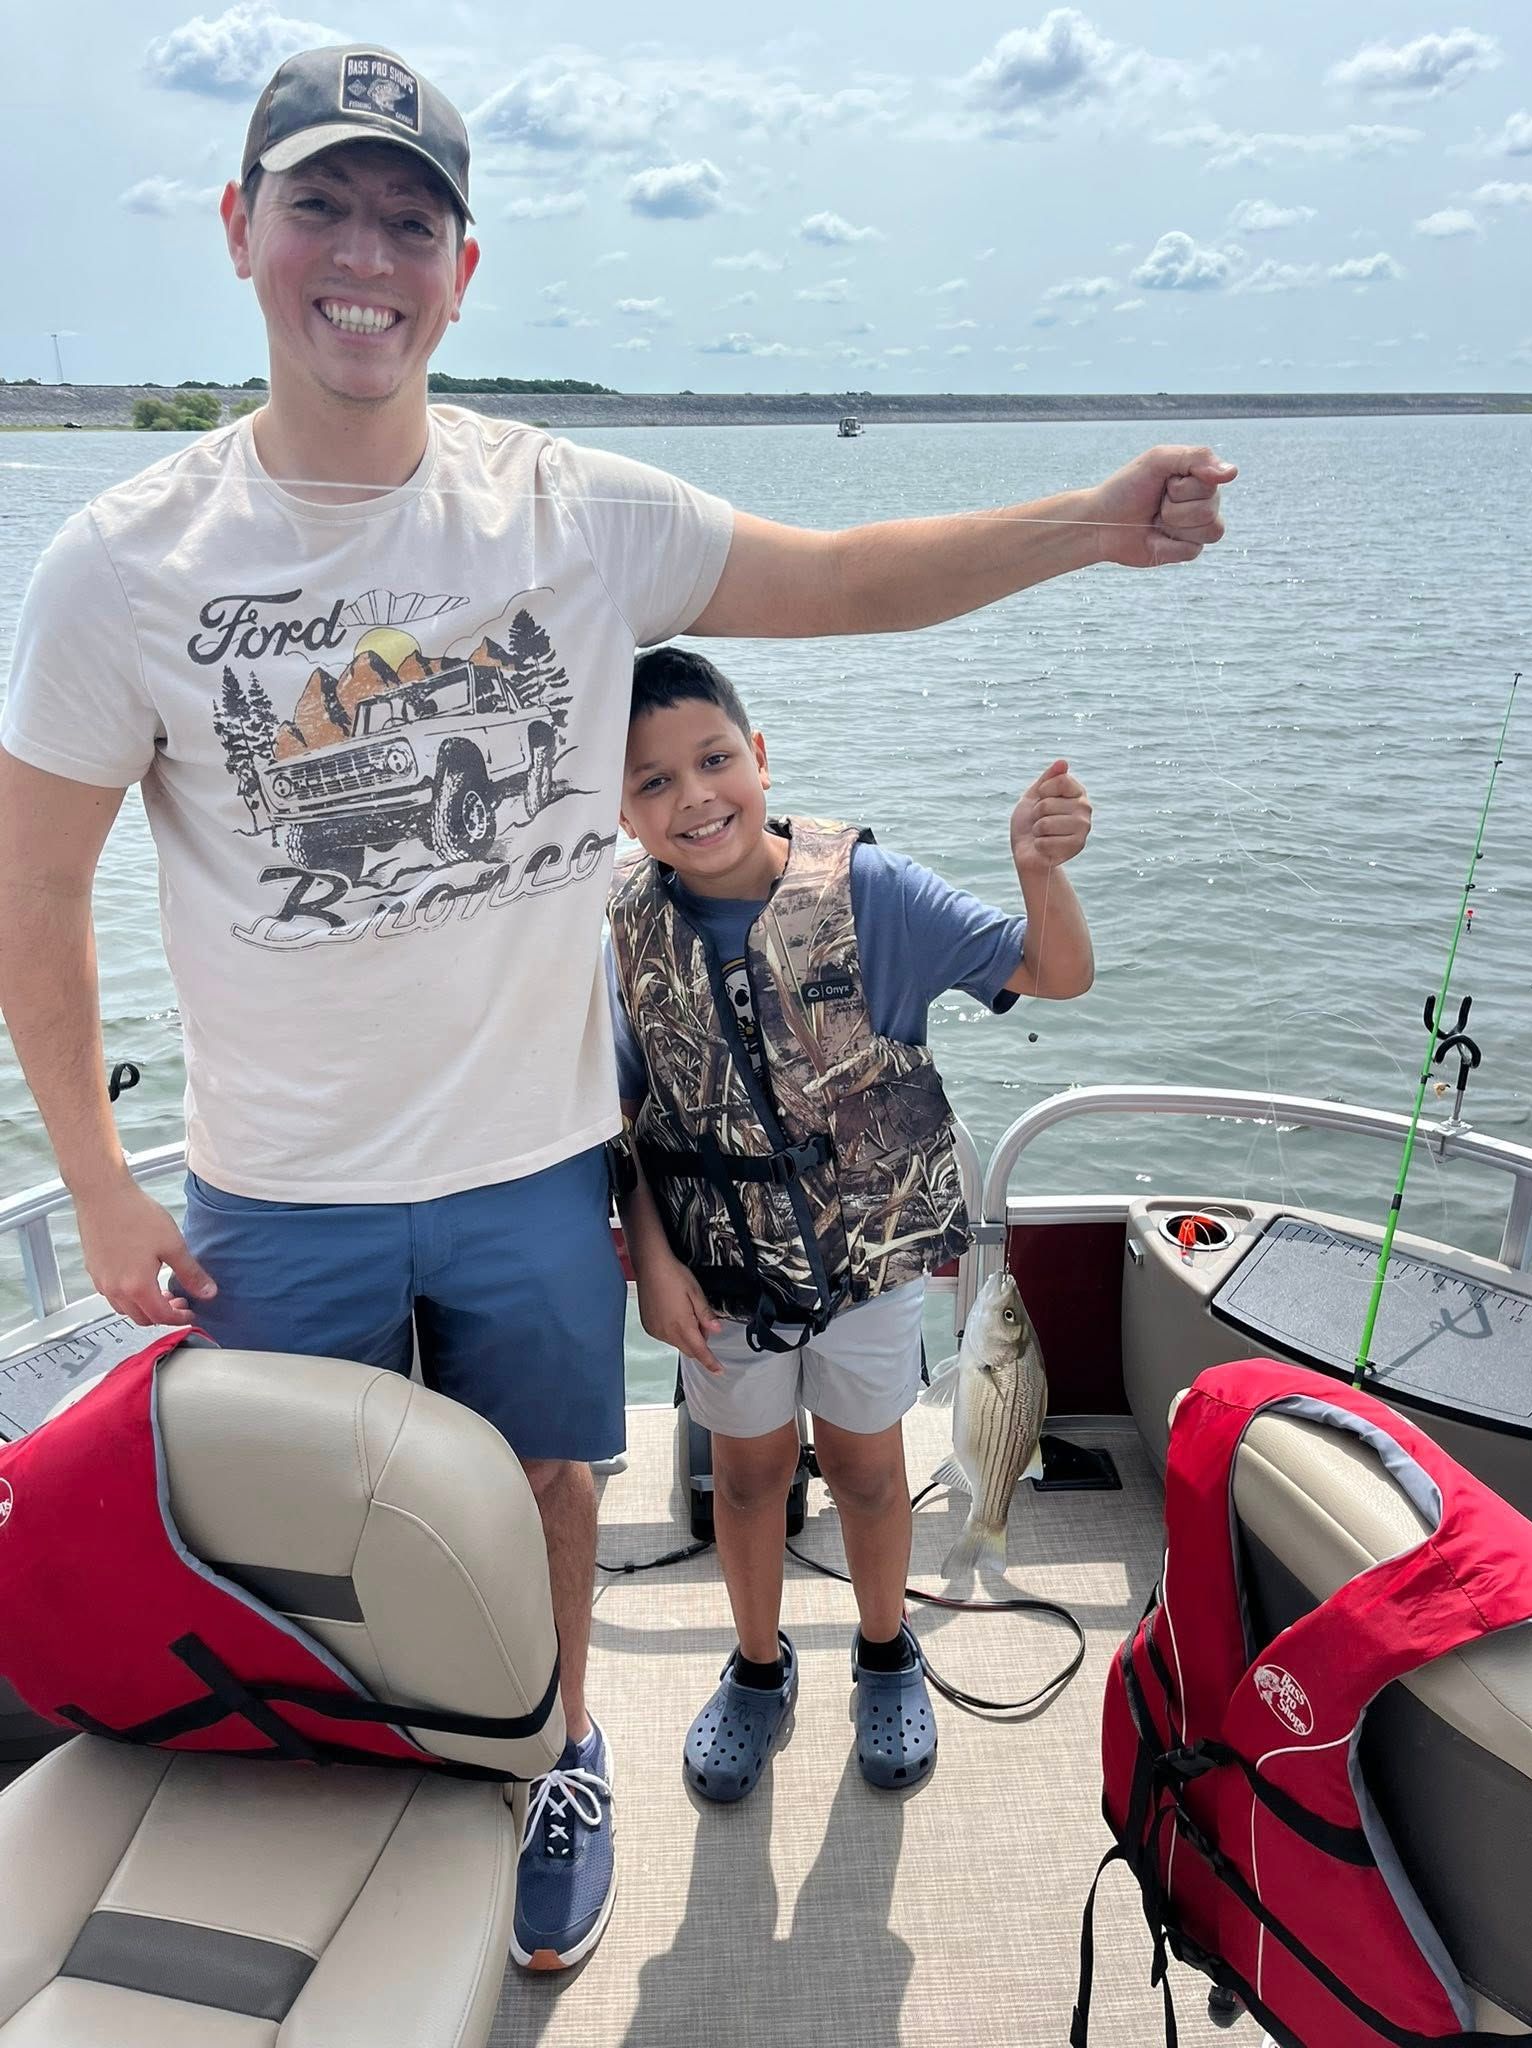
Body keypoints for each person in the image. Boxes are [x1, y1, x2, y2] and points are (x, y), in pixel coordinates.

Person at [0, 39, 1233, 1974]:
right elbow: (38, 885)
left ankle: (557, 1742)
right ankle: (357, 1756)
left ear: (462, 275)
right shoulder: (118, 564)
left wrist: (1085, 521)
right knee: (300, 1515)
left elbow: (837, 573)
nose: (364, 255)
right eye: (319, 204)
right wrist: (94, 1177)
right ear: (240, 231)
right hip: (275, 1172)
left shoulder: (564, 508)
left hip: (534, 1157)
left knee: (551, 1483)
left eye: (411, 221)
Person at [607, 643, 1094, 1797]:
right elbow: (628, 1117)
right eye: (653, 781)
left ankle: (886, 1652)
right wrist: (652, 1258)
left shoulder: (868, 890)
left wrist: (1037, 867)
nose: (695, 796)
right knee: (744, 1478)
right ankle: (759, 1668)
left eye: (715, 759)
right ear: (621, 811)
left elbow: (1056, 969)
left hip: (871, 1268)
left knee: (873, 1475)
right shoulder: (628, 929)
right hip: (721, 1279)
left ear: (761, 756)